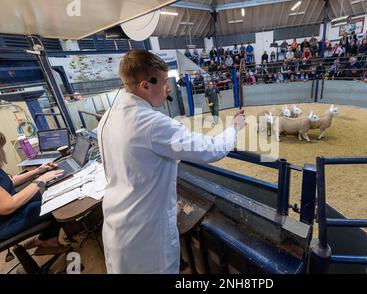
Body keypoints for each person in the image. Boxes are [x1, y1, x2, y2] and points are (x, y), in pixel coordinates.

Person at [97, 50, 246, 274]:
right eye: (165, 82)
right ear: (146, 85)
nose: (168, 89)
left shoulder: (108, 116)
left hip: (117, 227)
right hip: (148, 238)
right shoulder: (152, 123)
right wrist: (235, 128)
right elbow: (211, 150)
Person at [0, 132, 70, 255]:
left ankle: (44, 239)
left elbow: (8, 183)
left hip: (10, 212)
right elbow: (8, 206)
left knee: (48, 192)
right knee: (54, 204)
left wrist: (38, 171)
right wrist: (41, 180)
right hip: (6, 223)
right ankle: (48, 242)